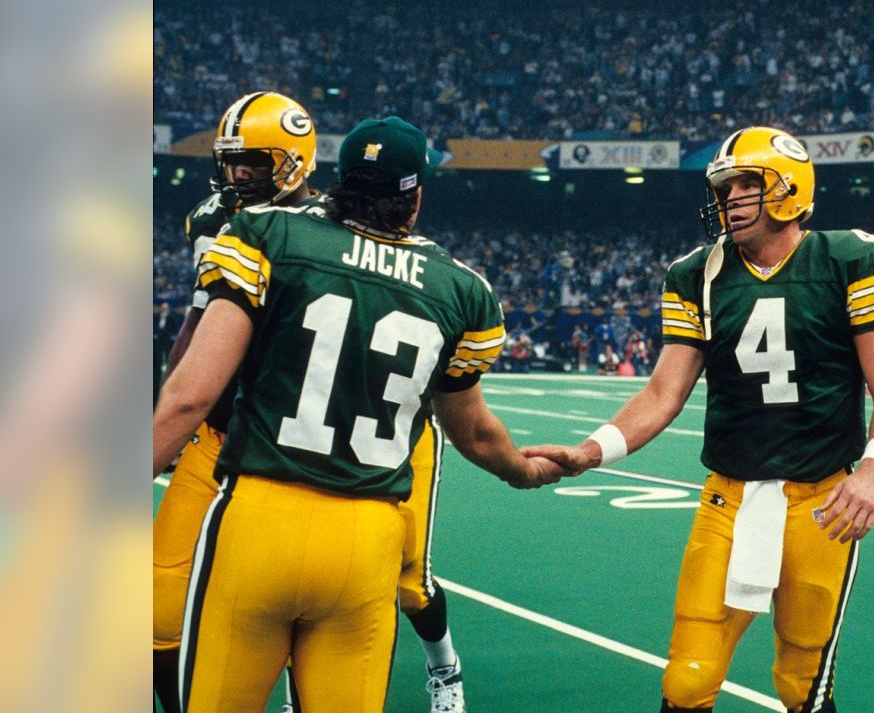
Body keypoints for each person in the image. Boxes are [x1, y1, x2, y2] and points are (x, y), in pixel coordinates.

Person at [152, 116, 573, 713]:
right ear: (417, 194)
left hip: (258, 519)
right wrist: (524, 471)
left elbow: (191, 395)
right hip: (367, 538)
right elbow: (474, 432)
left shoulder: (264, 233)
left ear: (336, 179)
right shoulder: (462, 289)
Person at [524, 126, 874, 712]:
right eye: (724, 186)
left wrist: (873, 471)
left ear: (789, 189)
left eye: (746, 184)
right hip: (729, 498)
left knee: (803, 681)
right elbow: (664, 391)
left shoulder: (854, 259)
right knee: (687, 677)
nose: (730, 197)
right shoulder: (697, 274)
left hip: (821, 499)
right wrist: (592, 451)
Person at [152, 90, 320, 712]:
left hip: (287, 443)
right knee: (158, 601)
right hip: (216, 433)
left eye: (253, 161)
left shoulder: (330, 230)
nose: (239, 174)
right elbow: (198, 326)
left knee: (304, 607)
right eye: (233, 161)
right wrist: (170, 415)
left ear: (294, 158)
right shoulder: (212, 219)